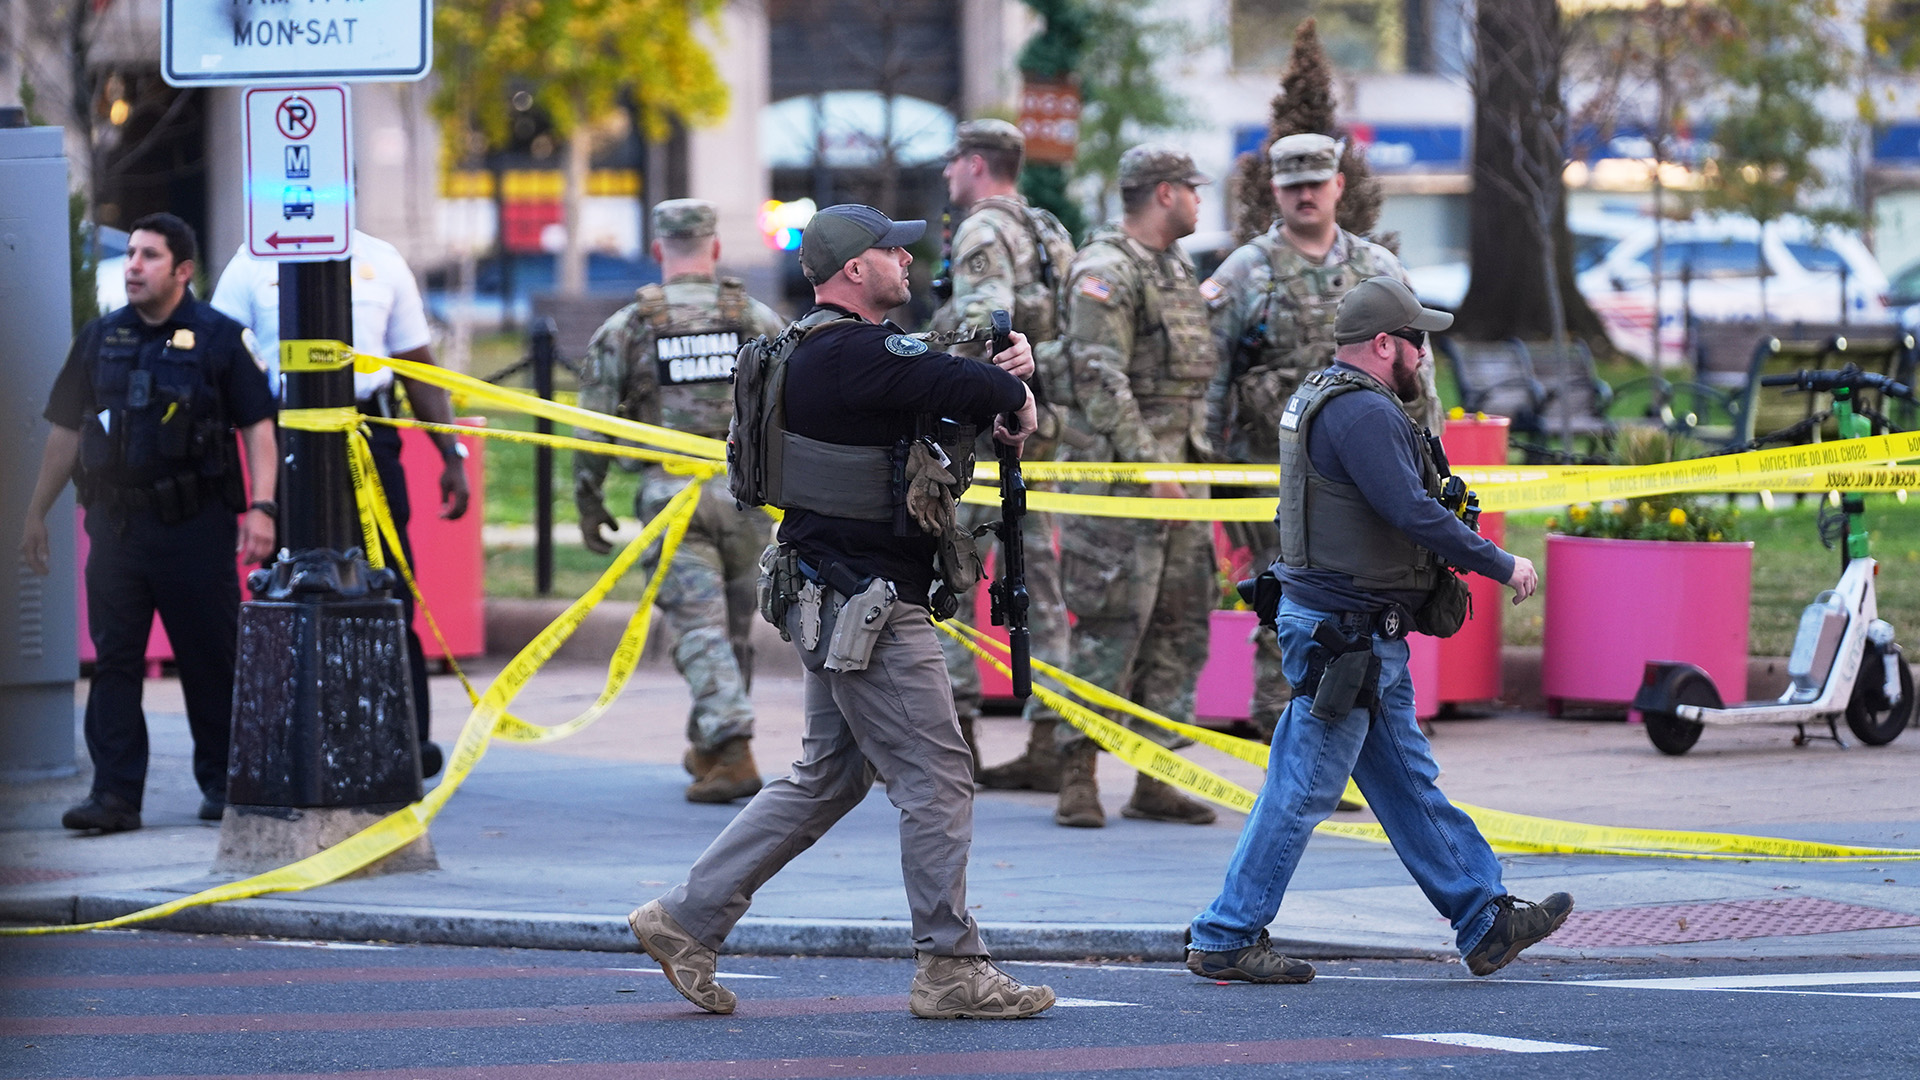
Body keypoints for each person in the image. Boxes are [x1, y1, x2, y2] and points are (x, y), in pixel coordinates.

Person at [627, 204, 1055, 1020]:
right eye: (893, 249)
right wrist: (1009, 379)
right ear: (855, 269)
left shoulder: (812, 353)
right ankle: (951, 967)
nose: (906, 258)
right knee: (937, 779)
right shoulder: (854, 354)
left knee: (830, 775)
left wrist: (1001, 376)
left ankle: (685, 919)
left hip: (831, 595)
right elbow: (959, 382)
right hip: (871, 609)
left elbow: (935, 389)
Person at [1186, 276, 1569, 984]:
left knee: (1406, 784)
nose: (1425, 356)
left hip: (1355, 634)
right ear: (1385, 344)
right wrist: (1499, 562)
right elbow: (1412, 513)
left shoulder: (1321, 396)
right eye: (1417, 342)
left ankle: (1483, 917)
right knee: (1301, 790)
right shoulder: (1363, 413)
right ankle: (1226, 932)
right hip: (1346, 635)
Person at [18, 212, 278, 833]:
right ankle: (114, 796)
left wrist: (263, 507)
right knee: (114, 665)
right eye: (131, 254)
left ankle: (223, 783)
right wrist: (34, 512)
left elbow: (258, 429)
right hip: (118, 528)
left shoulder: (221, 339)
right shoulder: (100, 339)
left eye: (150, 256)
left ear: (183, 271)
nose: (133, 265)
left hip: (197, 525)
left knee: (210, 657)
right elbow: (65, 431)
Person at [1202, 132, 1442, 738]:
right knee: (1284, 598)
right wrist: (1201, 467)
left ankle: (1348, 731)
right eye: (1292, 186)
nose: (1305, 195)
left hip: (1364, 480)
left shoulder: (1377, 269)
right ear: (1275, 192)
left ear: (1338, 186)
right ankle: (1280, 730)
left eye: (1316, 183)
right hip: (1269, 471)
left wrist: (1431, 460)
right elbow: (1209, 376)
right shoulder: (1246, 272)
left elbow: (1420, 370)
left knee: (1362, 601)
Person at [211, 228, 469, 779]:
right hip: (289, 436)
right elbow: (219, 359)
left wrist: (451, 452)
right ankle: (290, 738)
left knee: (389, 580)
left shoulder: (382, 257)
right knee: (289, 588)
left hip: (368, 432)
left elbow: (415, 363)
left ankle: (405, 739)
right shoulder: (252, 259)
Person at [573, 199, 787, 802]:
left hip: (674, 500)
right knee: (733, 628)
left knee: (698, 627)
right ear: (715, 249)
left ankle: (734, 746)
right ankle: (713, 745)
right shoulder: (756, 318)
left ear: (659, 248)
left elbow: (592, 423)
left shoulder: (631, 325)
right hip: (748, 498)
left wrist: (589, 500)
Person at [1046, 144, 1220, 830]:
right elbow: (1099, 378)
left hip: (1184, 476)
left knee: (1180, 626)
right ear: (1166, 193)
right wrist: (1152, 469)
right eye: (1194, 190)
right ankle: (1076, 770)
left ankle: (1157, 776)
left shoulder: (1173, 267)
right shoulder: (1106, 269)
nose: (1200, 202)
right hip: (1123, 487)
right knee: (1110, 629)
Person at [928, 118, 1076, 788]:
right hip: (1044, 432)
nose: (945, 174)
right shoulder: (1049, 229)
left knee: (948, 576)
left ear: (976, 164)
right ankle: (1053, 739)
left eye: (952, 161)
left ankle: (955, 740)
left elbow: (986, 329)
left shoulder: (981, 230)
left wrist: (922, 350)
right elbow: (1066, 333)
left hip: (984, 439)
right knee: (1041, 589)